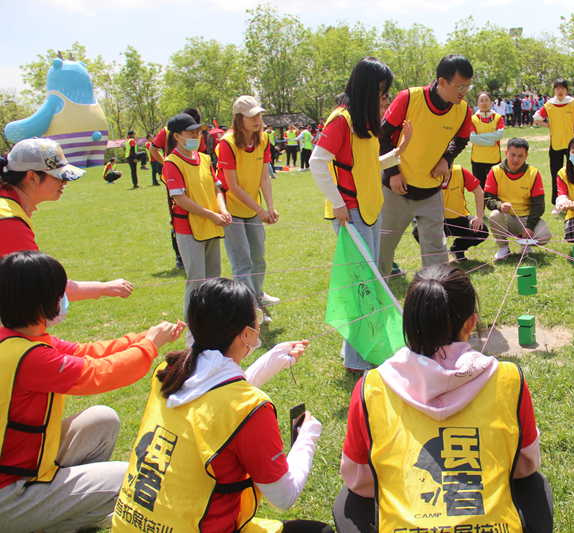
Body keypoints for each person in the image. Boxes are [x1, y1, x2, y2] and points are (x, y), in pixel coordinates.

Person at [333, 264, 553, 533]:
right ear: (471, 323)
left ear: (408, 322)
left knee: (347, 500)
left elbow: (358, 479)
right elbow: (526, 464)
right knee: (535, 485)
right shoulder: (509, 379)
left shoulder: (371, 387)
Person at [113, 278, 330, 533]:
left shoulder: (168, 372)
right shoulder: (250, 409)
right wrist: (308, 436)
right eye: (256, 315)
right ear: (246, 333)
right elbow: (283, 497)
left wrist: (271, 361)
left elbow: (212, 404)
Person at [0, 250, 184, 533]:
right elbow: (99, 373)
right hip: (10, 494)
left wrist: (144, 337)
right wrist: (148, 346)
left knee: (102, 419)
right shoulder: (32, 359)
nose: (64, 298)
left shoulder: (18, 337)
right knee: (126, 478)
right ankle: (42, 525)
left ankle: (50, 509)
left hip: (26, 466)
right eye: (59, 292)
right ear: (39, 301)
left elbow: (87, 353)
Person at [310, 57, 408, 372]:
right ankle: (357, 360)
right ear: (367, 89)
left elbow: (367, 165)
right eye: (382, 92)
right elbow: (317, 162)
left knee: (367, 283)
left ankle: (352, 351)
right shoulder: (341, 120)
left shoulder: (363, 124)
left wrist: (398, 151)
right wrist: (337, 203)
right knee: (363, 286)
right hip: (350, 214)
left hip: (369, 210)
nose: (386, 99)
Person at [376, 54, 474, 277]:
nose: (464, 92)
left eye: (468, 86)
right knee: (382, 251)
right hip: (396, 190)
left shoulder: (463, 110)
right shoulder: (408, 98)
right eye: (460, 86)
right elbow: (382, 135)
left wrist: (446, 159)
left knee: (436, 256)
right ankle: (374, 303)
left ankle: (436, 301)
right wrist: (393, 172)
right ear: (441, 82)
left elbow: (461, 139)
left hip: (431, 192)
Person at [0, 137, 133, 299]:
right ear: (32, 178)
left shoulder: (8, 206)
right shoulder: (9, 220)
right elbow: (40, 284)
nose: (65, 182)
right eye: (58, 175)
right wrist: (103, 288)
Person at [162, 113, 232, 324]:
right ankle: (193, 327)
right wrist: (212, 215)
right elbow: (180, 199)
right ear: (177, 136)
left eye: (198, 132)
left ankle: (211, 321)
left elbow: (216, 187)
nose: (197, 136)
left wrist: (223, 209)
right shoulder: (171, 163)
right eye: (191, 133)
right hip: (189, 229)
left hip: (211, 225)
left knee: (213, 279)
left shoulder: (204, 158)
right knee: (196, 281)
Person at [217, 96, 281, 322]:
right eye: (251, 116)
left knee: (258, 257)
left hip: (253, 208)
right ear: (238, 119)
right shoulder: (226, 143)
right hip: (231, 210)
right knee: (242, 261)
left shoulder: (263, 139)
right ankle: (251, 308)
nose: (257, 119)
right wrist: (259, 209)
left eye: (259, 115)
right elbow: (232, 186)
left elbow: (265, 175)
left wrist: (269, 206)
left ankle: (258, 293)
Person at [151, 108, 209, 271]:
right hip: (175, 178)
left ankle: (194, 254)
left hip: (196, 178)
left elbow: (203, 155)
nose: (195, 135)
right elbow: (152, 149)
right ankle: (180, 256)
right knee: (178, 216)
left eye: (197, 130)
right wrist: (168, 166)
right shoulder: (168, 131)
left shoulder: (195, 135)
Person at [485, 137, 552, 259]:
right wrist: (500, 205)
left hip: (526, 219)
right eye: (512, 155)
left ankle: (524, 242)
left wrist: (530, 226)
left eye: (520, 156)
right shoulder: (495, 171)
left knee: (544, 236)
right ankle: (503, 248)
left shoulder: (533, 173)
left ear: (526, 156)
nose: (516, 159)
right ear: (506, 153)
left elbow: (538, 204)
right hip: (506, 218)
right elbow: (488, 198)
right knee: (494, 215)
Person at [534, 79, 574, 206]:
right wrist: (549, 126)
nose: (560, 91)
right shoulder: (549, 105)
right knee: (556, 175)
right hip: (555, 145)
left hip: (572, 145)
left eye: (563, 88)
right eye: (557, 88)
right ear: (554, 90)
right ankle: (557, 202)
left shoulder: (573, 103)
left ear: (566, 90)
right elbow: (537, 118)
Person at [413, 163, 487, 261]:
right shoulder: (428, 176)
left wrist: (479, 217)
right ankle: (437, 254)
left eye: (450, 161)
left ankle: (457, 249)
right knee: (417, 231)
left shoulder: (460, 171)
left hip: (459, 219)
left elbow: (479, 191)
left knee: (482, 230)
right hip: (437, 222)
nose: (447, 164)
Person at [470, 91, 505, 188]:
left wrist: (479, 135)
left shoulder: (498, 118)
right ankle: (481, 204)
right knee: (480, 188)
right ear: (477, 103)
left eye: (486, 100)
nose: (484, 103)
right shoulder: (472, 119)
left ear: (491, 102)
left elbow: (499, 135)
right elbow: (473, 138)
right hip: (478, 159)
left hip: (494, 158)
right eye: (481, 100)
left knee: (494, 187)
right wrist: (490, 143)